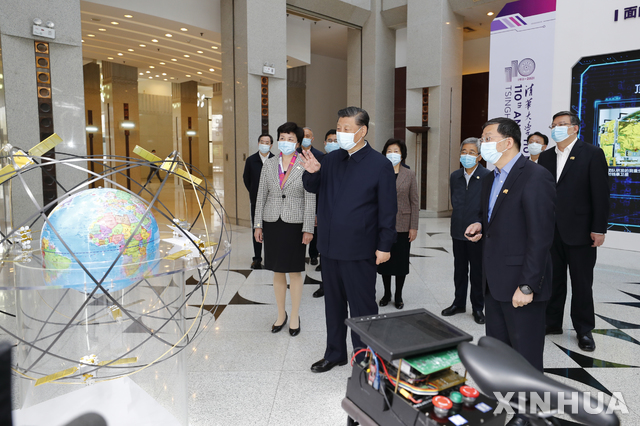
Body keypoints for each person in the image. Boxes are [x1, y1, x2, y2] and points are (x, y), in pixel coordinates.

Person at [300, 106, 397, 373]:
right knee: (333, 305)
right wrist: (311, 172)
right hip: (330, 248)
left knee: (363, 308)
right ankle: (335, 353)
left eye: (346, 129)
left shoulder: (380, 165)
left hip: (360, 250)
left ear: (362, 131)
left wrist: (384, 246)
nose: (340, 133)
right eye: (338, 128)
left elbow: (389, 210)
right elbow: (312, 187)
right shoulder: (331, 161)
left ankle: (366, 357)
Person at [465, 117, 555, 379]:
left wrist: (527, 285)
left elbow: (541, 236)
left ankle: (527, 414)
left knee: (524, 355)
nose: (482, 144)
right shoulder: (490, 178)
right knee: (498, 351)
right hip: (494, 283)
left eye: (487, 138)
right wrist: (480, 225)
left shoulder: (536, 177)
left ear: (507, 142)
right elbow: (492, 216)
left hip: (521, 284)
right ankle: (504, 401)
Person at [538, 111, 609, 352]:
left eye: (563, 124)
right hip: (551, 231)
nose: (557, 128)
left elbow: (600, 195)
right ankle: (552, 322)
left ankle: (584, 329)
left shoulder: (592, 154)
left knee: (581, 282)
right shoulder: (545, 158)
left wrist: (599, 229)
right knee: (553, 279)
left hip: (581, 232)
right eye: (554, 124)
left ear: (575, 128)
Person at [253, 123, 315, 337]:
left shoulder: (304, 163)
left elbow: (310, 196)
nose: (285, 142)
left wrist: (308, 228)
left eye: (289, 138)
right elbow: (261, 195)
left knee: (295, 271)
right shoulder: (269, 164)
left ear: (297, 143)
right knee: (277, 270)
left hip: (295, 223)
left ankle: (295, 315)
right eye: (282, 137)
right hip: (272, 221)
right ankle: (281, 314)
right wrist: (258, 224)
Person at [443, 137, 490, 324]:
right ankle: (459, 303)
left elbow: (489, 207)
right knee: (459, 269)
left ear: (479, 156)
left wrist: (481, 225)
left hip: (477, 233)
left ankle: (478, 308)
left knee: (477, 271)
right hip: (457, 230)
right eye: (464, 152)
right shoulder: (455, 176)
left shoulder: (488, 176)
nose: (467, 155)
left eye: (472, 152)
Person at [378, 139, 418, 310]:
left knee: (400, 263)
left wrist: (414, 226)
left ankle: (398, 294)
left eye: (396, 151)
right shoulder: (379, 172)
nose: (392, 154)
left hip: (403, 224)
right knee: (384, 262)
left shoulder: (409, 174)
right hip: (383, 225)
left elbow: (414, 202)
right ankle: (386, 293)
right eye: (389, 151)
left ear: (402, 155)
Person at [243, 134, 274, 269]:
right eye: (262, 142)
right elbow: (246, 179)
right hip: (256, 201)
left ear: (271, 145)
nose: (264, 144)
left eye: (267, 142)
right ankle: (257, 258)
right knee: (257, 228)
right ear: (258, 143)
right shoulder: (251, 160)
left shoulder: (275, 160)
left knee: (271, 230)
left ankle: (271, 258)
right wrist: (254, 191)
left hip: (272, 201)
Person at [297, 127, 324, 272]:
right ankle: (299, 255)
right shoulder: (294, 155)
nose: (305, 137)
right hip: (297, 198)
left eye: (308, 136)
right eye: (303, 135)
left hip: (314, 197)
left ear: (312, 139)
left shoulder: (320, 155)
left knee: (314, 229)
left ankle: (313, 255)